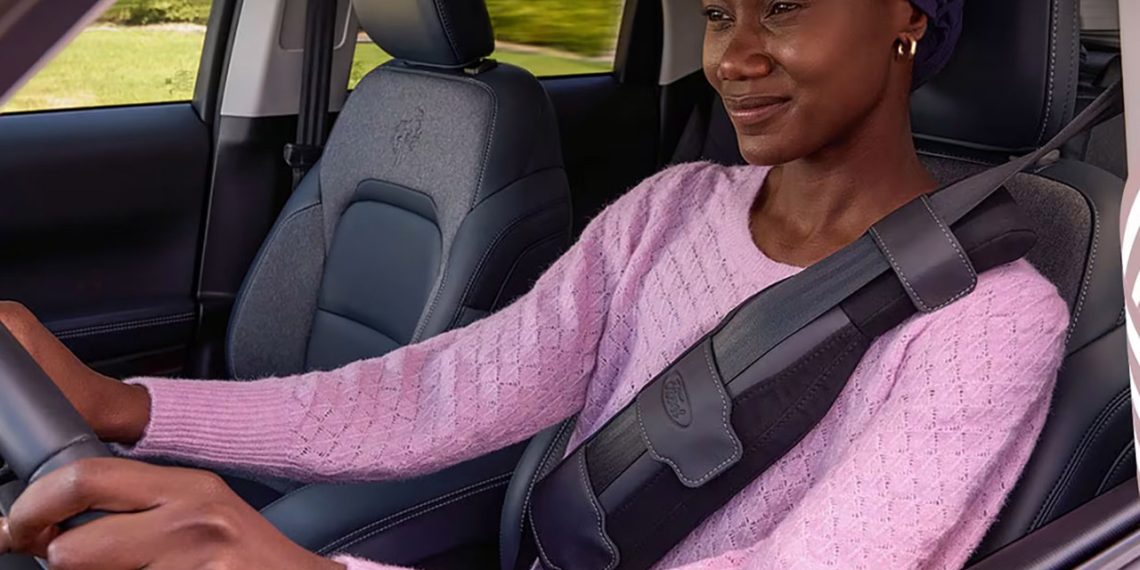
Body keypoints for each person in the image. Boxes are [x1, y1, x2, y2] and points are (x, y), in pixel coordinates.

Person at [0, 0, 1069, 568]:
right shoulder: (672, 209)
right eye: (716, 12)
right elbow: (440, 395)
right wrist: (130, 407)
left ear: (909, 16)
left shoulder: (989, 318)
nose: (732, 57)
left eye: (781, 6)